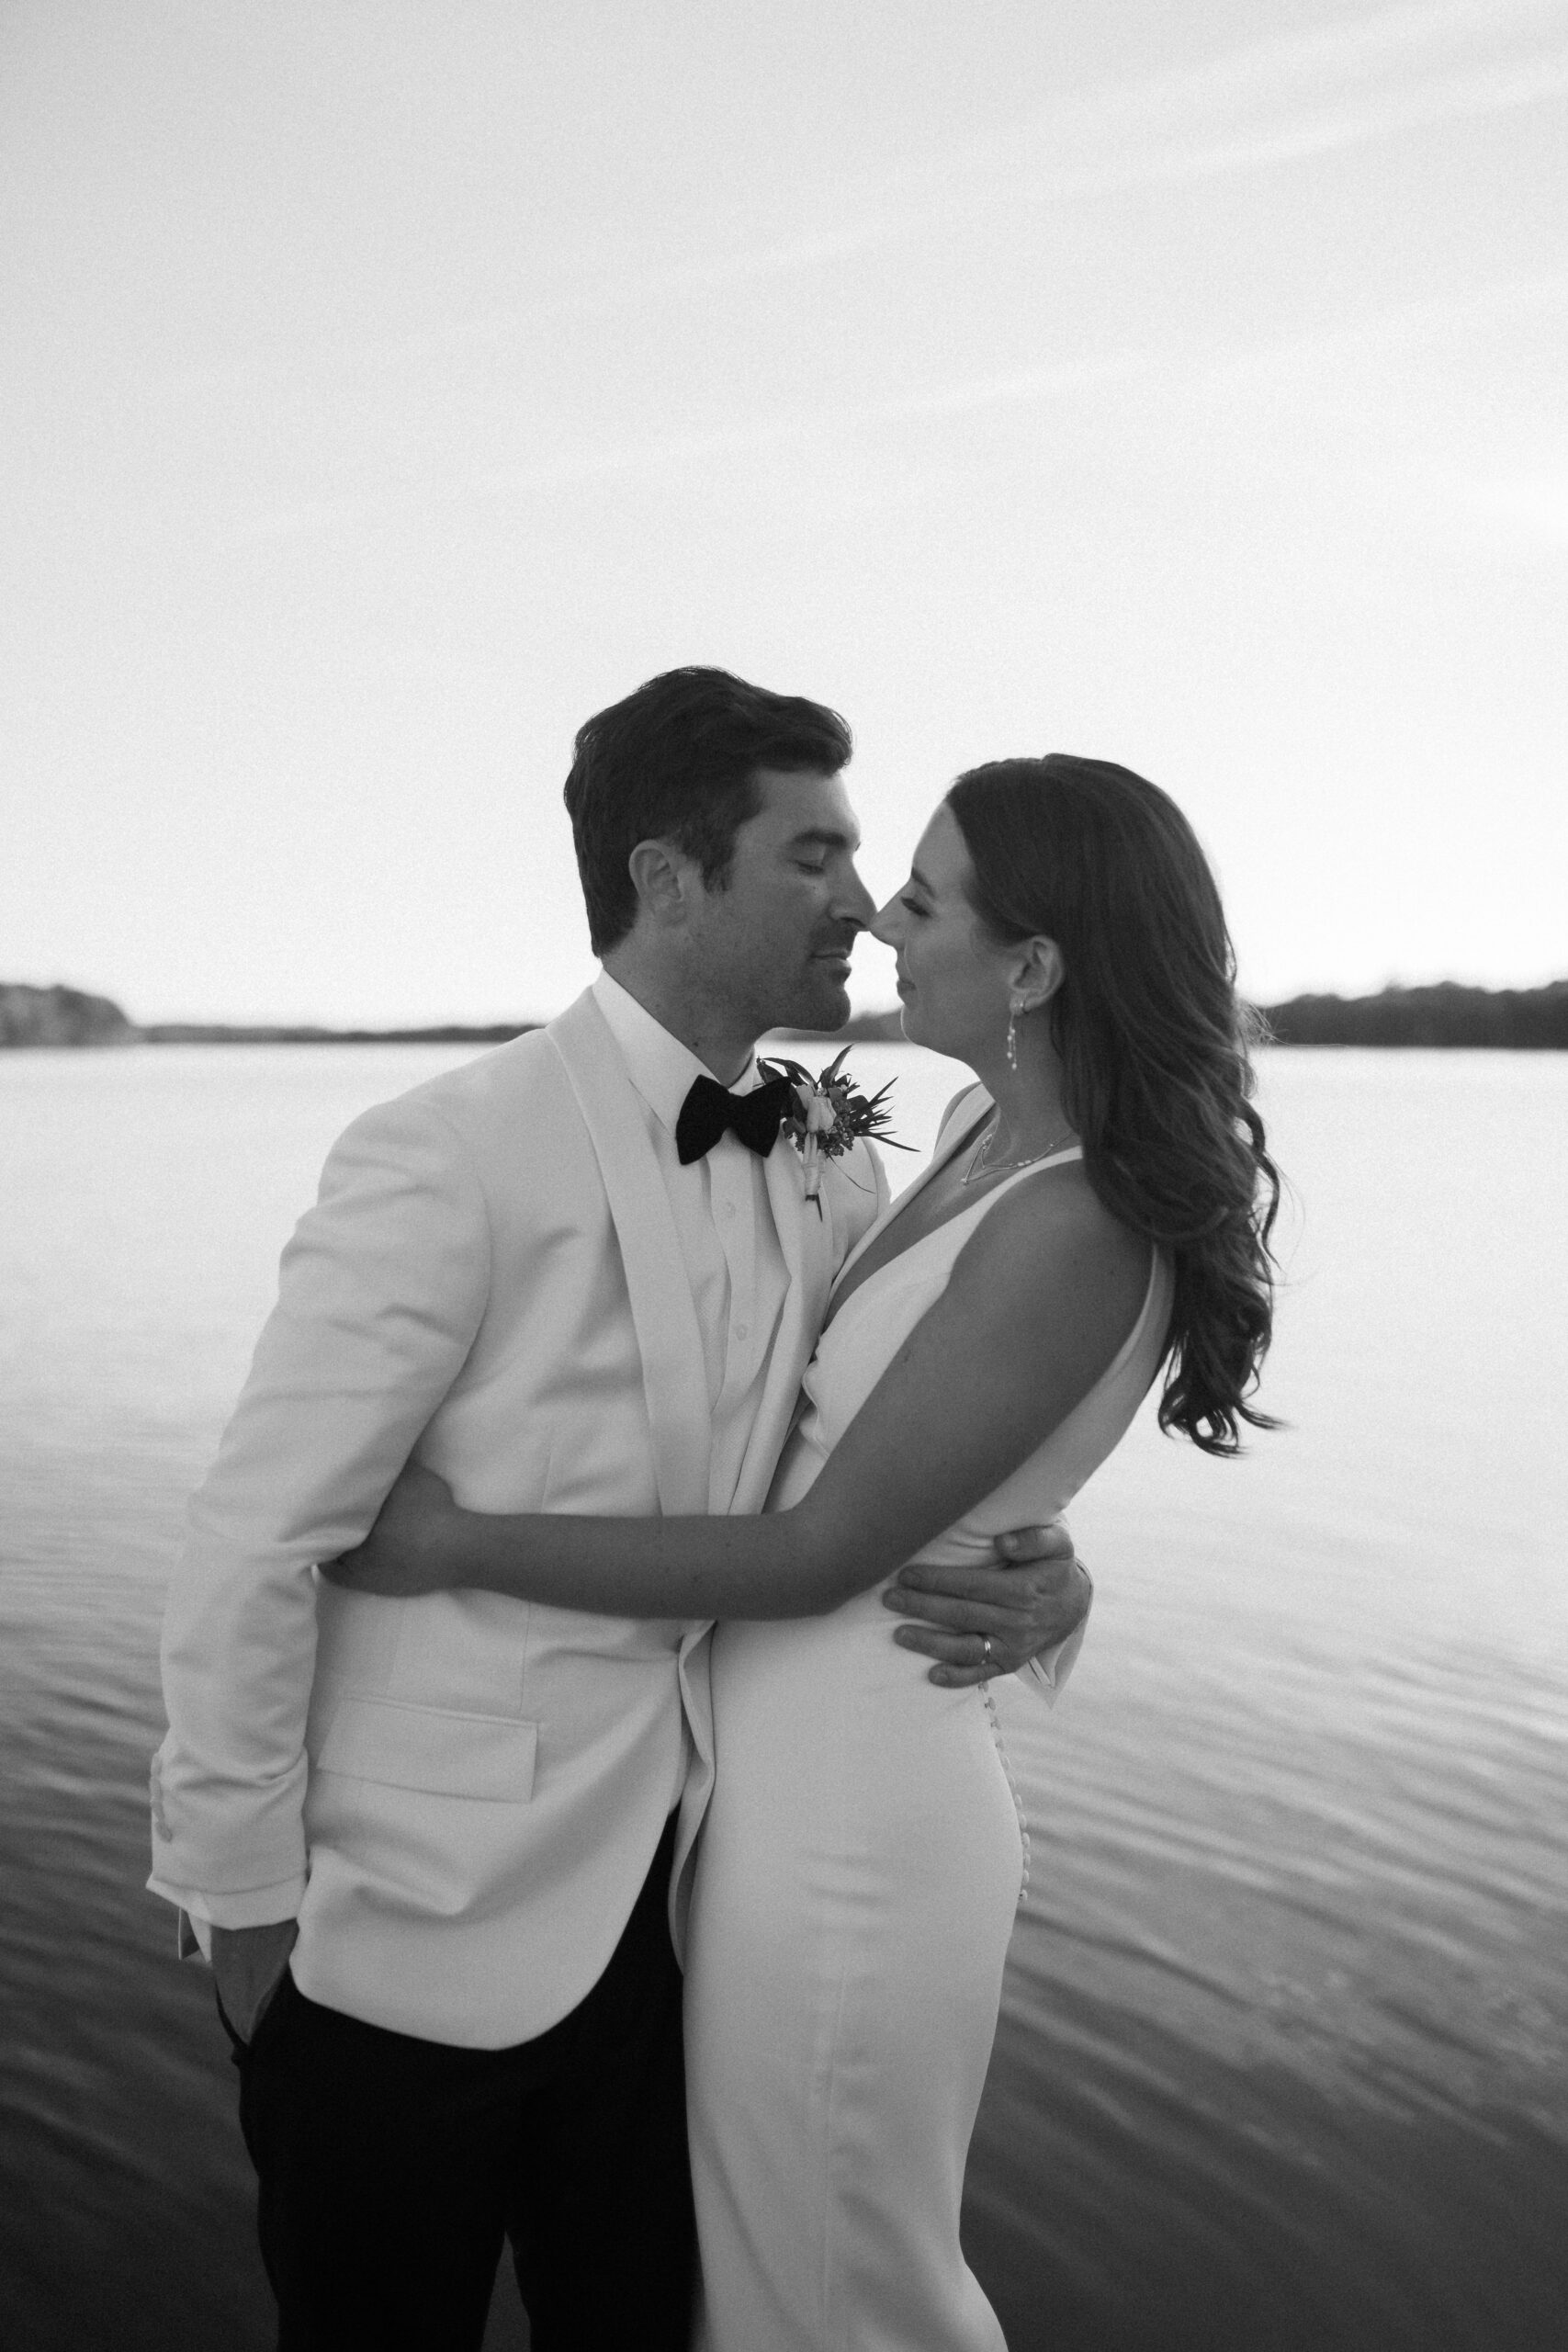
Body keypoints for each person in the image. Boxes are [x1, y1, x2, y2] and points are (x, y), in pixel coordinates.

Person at [147, 670, 1090, 2351]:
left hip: (691, 1927)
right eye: (814, 856)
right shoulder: (450, 1149)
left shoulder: (841, 1159)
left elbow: (865, 1461)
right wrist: (245, 1930)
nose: (864, 906)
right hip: (399, 1944)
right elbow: (255, 1544)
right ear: (669, 880)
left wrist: (1043, 1568)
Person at [329, 752, 1281, 2352]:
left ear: (1034, 965)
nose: (878, 921)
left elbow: (821, 1548)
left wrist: (456, 1542)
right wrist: (1052, 1570)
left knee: (844, 2292)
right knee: (767, 2276)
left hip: (857, 1820)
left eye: (921, 897)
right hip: (768, 1792)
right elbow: (940, 1451)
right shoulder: (979, 1129)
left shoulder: (1076, 1220)